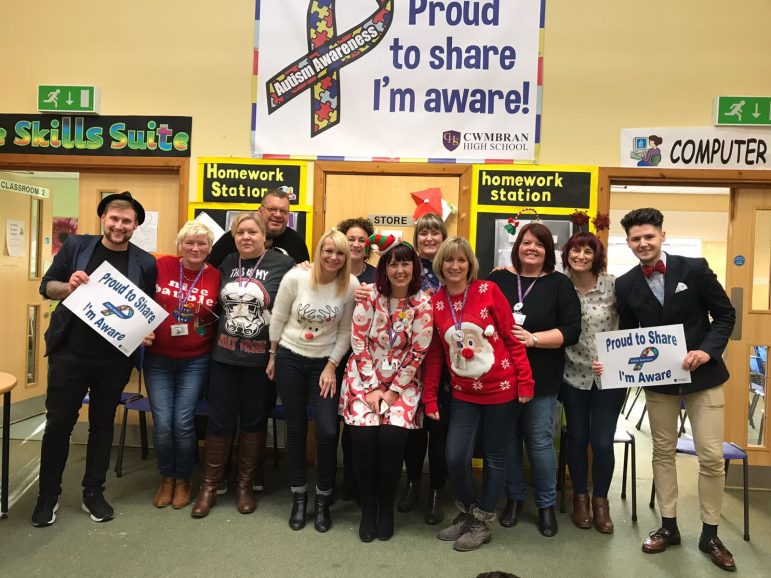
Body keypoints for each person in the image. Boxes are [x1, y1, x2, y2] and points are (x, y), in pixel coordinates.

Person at [616, 208, 737, 572]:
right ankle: (669, 527)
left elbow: (725, 315)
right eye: (636, 239)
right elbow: (628, 336)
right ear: (629, 242)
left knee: (712, 457)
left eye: (649, 236)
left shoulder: (694, 268)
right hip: (659, 381)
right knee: (662, 452)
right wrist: (616, 361)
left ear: (662, 236)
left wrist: (707, 350)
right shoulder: (625, 284)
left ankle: (710, 533)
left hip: (704, 376)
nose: (643, 244)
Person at [31, 191, 157, 527]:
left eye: (126, 221)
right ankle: (47, 496)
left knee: (103, 425)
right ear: (104, 218)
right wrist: (68, 287)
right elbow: (47, 287)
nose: (119, 225)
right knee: (58, 425)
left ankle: (93, 492)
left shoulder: (145, 262)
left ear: (135, 225)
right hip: (70, 353)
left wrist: (145, 331)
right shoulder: (76, 247)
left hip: (113, 360)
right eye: (114, 218)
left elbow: (146, 309)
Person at [422, 237, 534, 552]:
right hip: (463, 393)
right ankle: (468, 512)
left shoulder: (488, 291)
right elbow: (434, 355)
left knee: (495, 457)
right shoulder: (436, 302)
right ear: (440, 265)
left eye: (461, 260)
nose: (455, 266)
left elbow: (513, 338)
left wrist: (525, 382)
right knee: (455, 455)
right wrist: (430, 397)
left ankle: (481, 522)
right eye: (449, 260)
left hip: (502, 389)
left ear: (470, 264)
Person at [191, 212, 294, 518]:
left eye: (252, 232)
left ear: (265, 237)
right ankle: (208, 487)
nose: (246, 237)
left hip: (261, 361)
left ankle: (245, 485)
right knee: (219, 421)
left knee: (253, 421)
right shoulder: (225, 265)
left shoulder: (284, 266)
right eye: (240, 233)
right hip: (223, 356)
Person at [488, 222, 581, 537]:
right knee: (509, 441)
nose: (531, 248)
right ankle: (514, 498)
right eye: (526, 242)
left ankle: (545, 505)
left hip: (542, 378)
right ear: (517, 246)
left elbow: (571, 331)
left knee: (539, 442)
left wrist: (533, 339)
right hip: (500, 377)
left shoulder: (560, 285)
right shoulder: (499, 278)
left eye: (539, 244)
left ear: (547, 251)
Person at [339, 234, 433, 542]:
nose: (400, 269)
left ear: (414, 267)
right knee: (364, 440)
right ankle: (368, 508)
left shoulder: (422, 303)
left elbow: (418, 352)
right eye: (394, 264)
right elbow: (358, 341)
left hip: (403, 382)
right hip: (364, 377)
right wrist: (370, 388)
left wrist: (392, 391)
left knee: (392, 441)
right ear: (385, 269)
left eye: (406, 263)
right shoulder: (370, 297)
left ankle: (386, 508)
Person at [268, 229, 357, 532]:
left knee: (329, 432)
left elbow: (346, 331)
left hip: (324, 364)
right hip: (290, 357)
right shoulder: (296, 278)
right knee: (294, 429)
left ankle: (322, 499)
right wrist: (271, 354)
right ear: (318, 251)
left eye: (340, 253)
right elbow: (278, 317)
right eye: (328, 250)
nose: (333, 257)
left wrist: (332, 365)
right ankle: (299, 498)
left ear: (347, 258)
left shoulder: (350, 285)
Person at [144, 221, 220, 510]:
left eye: (202, 243)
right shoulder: (161, 266)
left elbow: (219, 313)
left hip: (195, 360)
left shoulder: (215, 275)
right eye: (190, 242)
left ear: (210, 248)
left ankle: (184, 479)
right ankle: (167, 479)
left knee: (183, 422)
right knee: (163, 424)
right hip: (158, 359)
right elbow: (139, 301)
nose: (195, 248)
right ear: (180, 245)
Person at [559, 231, 625, 533]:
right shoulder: (559, 284)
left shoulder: (614, 286)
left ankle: (601, 502)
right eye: (576, 250)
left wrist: (617, 359)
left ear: (596, 255)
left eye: (588, 251)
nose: (581, 256)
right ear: (567, 254)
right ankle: (580, 500)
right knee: (576, 437)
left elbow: (633, 327)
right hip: (572, 374)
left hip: (609, 377)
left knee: (601, 441)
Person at [398, 212, 450, 524]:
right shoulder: (407, 269)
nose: (429, 239)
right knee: (413, 432)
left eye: (435, 233)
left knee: (440, 431)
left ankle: (436, 492)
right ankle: (413, 484)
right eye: (423, 234)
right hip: (410, 362)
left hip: (447, 364)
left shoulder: (452, 268)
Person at [335, 217, 376, 502]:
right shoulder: (329, 272)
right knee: (340, 423)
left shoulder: (378, 275)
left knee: (362, 425)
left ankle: (364, 483)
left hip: (369, 360)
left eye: (362, 239)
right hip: (334, 357)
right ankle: (345, 481)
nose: (356, 244)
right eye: (351, 238)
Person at [207, 186, 309, 267]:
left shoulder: (296, 242)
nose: (278, 215)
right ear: (260, 211)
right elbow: (211, 270)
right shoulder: (235, 238)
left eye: (283, 211)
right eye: (272, 209)